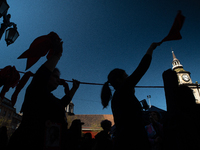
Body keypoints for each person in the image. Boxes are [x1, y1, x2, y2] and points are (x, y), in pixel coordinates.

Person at [7, 36, 80, 149]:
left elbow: (62, 103)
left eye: (58, 78)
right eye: (55, 76)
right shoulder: (37, 89)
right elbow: (41, 75)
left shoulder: (50, 98)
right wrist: (57, 55)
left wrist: (74, 89)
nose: (58, 80)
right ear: (46, 77)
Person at [101, 42, 161, 150]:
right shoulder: (122, 90)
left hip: (127, 141)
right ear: (120, 80)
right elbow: (141, 68)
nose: (129, 77)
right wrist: (151, 48)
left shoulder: (119, 96)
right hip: (132, 142)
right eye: (126, 76)